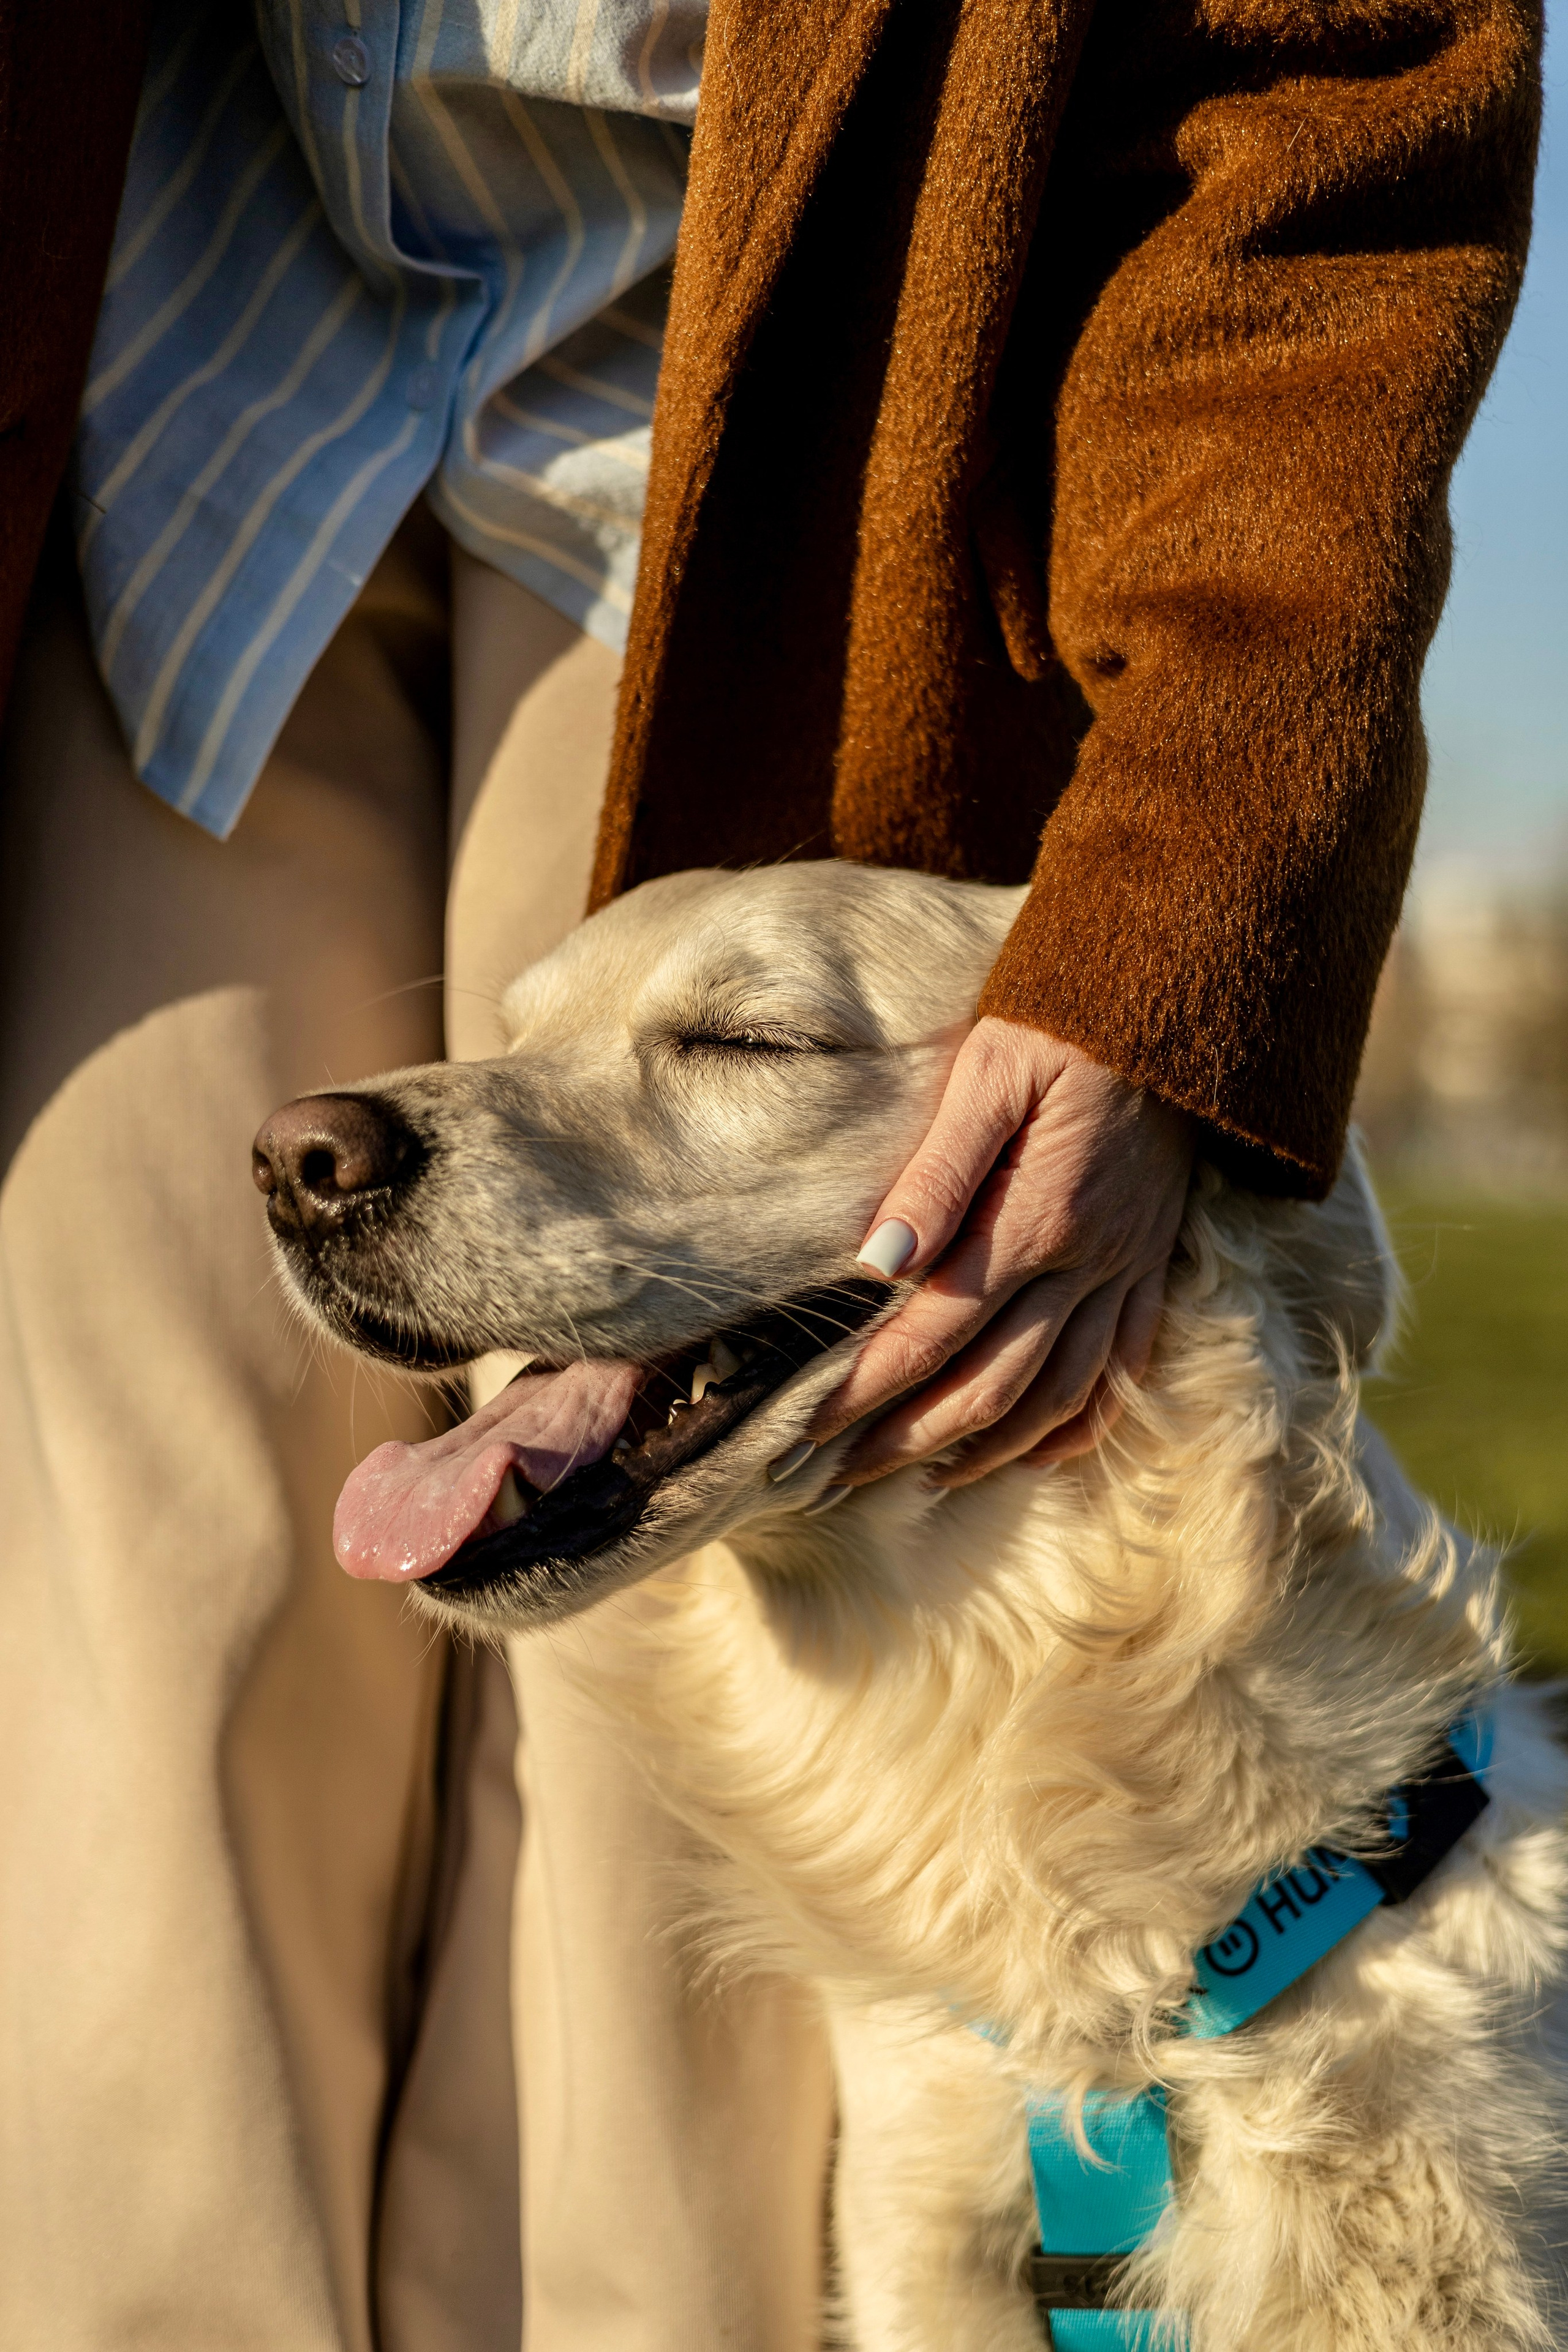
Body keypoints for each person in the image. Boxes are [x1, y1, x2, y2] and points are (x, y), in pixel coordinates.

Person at [0, 0, 1541, 2345]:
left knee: (674, 1776)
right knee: (135, 1640)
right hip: (162, 349)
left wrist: (1183, 911)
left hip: (791, 393)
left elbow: (1333, 99)